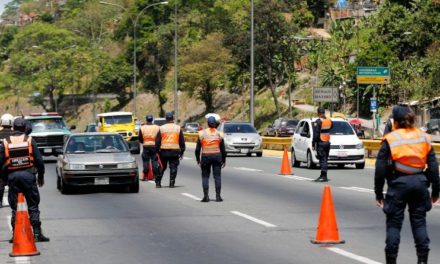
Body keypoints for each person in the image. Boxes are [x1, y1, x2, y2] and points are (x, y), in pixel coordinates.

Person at [375, 106, 439, 264]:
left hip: (398, 184)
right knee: (419, 223)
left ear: (395, 122)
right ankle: (423, 261)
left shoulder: (391, 138)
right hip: (419, 184)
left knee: (394, 225)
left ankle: (391, 260)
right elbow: (433, 167)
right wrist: (436, 192)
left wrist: (378, 193)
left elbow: (380, 169)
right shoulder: (424, 137)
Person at [0, 118, 49, 242]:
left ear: (13, 128)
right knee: (33, 205)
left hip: (13, 177)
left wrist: (5, 179)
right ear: (24, 128)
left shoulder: (5, 142)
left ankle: (15, 235)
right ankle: (37, 234)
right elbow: (39, 160)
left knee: (15, 207)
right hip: (28, 177)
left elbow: (0, 163)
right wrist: (41, 175)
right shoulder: (30, 140)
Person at [195, 116, 226, 202]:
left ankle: (206, 196)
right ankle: (218, 197)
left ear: (208, 124)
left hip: (206, 157)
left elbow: (197, 149)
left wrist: (198, 159)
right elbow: (223, 149)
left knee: (205, 177)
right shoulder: (219, 133)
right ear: (215, 124)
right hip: (217, 156)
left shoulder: (201, 133)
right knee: (217, 177)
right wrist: (224, 160)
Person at [155, 112, 185, 188]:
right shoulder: (178, 128)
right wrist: (182, 152)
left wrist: (157, 151)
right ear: (173, 118)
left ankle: (158, 183)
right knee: (173, 167)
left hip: (164, 151)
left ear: (166, 119)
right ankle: (172, 183)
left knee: (162, 167)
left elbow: (157, 141)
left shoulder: (161, 128)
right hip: (174, 151)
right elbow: (182, 141)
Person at [312, 107, 333, 182]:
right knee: (325, 159)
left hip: (321, 142)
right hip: (327, 141)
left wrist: (313, 143)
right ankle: (323, 175)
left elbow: (316, 135)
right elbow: (331, 127)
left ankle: (324, 176)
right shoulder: (328, 120)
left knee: (322, 159)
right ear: (324, 112)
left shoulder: (318, 122)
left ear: (318, 113)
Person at [139, 114, 160, 181]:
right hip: (154, 146)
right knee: (154, 161)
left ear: (146, 119)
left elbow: (140, 138)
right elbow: (159, 137)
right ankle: (155, 176)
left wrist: (144, 142)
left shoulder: (142, 128)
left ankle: (145, 175)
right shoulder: (157, 127)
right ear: (152, 119)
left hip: (146, 146)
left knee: (145, 161)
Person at [0, 113, 15, 208]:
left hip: (0, 163)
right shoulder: (15, 135)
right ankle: (13, 201)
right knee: (13, 183)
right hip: (12, 162)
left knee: (1, 183)